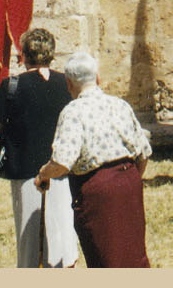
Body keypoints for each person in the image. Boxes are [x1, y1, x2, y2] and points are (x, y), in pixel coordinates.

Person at [35, 51, 152, 267]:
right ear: (97, 78)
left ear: (69, 84)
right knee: (133, 254)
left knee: (106, 257)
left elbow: (62, 162)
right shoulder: (120, 105)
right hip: (129, 182)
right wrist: (130, 179)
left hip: (98, 189)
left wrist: (43, 174)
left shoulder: (73, 112)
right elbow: (143, 152)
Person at [0, 27, 78, 267]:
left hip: (25, 169)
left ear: (25, 55)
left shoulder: (13, 85)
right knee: (62, 234)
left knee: (28, 237)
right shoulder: (65, 83)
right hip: (60, 169)